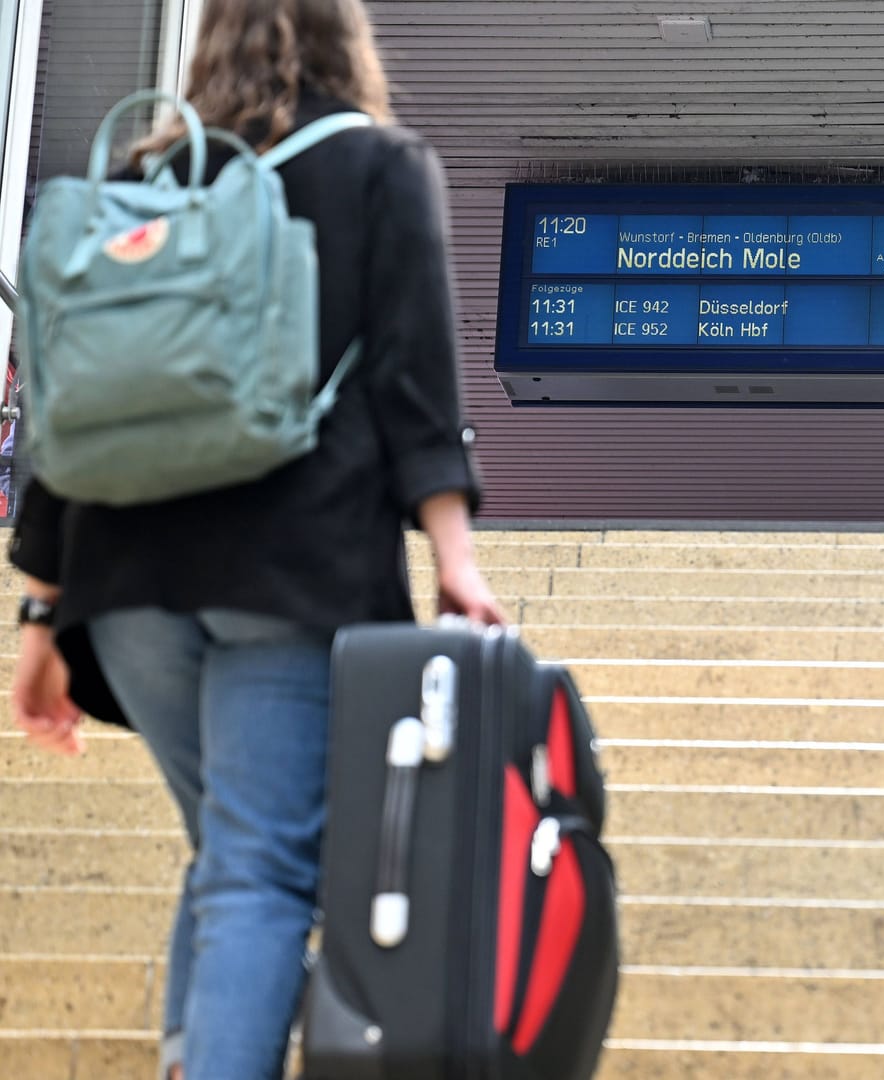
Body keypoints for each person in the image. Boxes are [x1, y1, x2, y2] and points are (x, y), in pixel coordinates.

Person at [7, 1, 506, 1077]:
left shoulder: (141, 183)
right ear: (346, 39)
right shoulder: (381, 167)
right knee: (262, 870)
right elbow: (418, 380)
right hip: (290, 572)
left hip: (126, 584)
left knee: (237, 850)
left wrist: (42, 614)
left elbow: (65, 410)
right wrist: (455, 560)